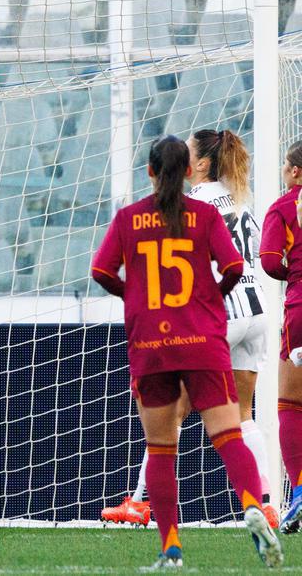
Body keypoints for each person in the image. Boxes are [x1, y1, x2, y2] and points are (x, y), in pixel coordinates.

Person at [91, 135, 281, 568]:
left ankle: (143, 507)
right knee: (240, 418)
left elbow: (106, 269)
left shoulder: (183, 206)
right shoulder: (238, 200)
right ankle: (264, 501)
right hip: (258, 311)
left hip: (208, 320)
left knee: (167, 427)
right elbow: (243, 261)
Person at [260, 140, 302, 533]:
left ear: (294, 171)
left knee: (290, 403)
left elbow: (270, 259)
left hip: (300, 312)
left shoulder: (284, 207)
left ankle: (301, 490)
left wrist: (292, 273)